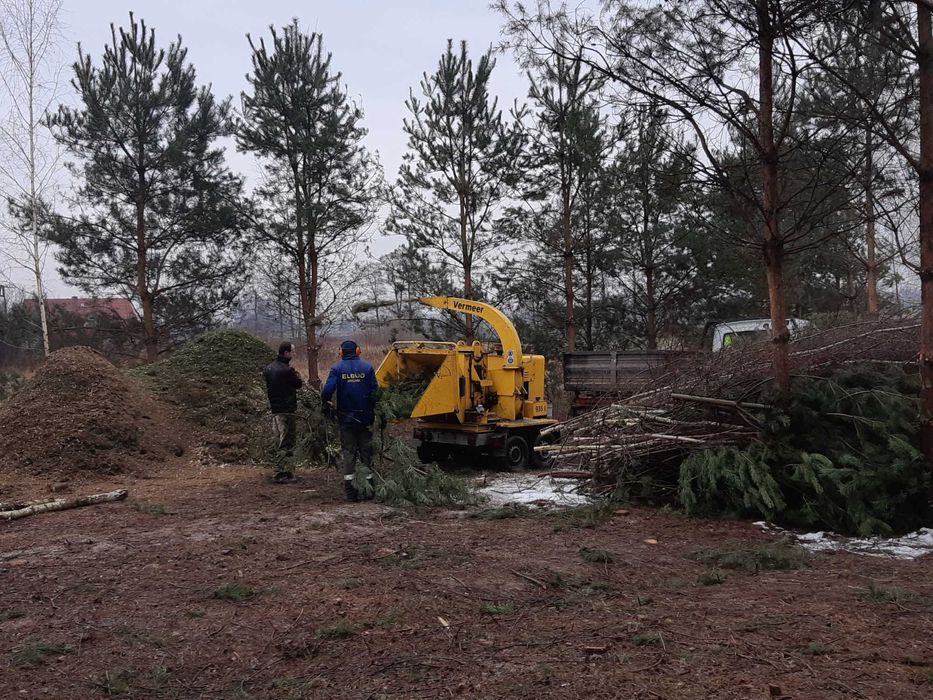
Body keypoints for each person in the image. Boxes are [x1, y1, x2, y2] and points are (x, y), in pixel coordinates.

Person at [321, 339, 379, 502]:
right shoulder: (367, 368)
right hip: (366, 418)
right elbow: (376, 393)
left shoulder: (337, 369)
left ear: (342, 352)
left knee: (349, 453)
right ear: (358, 351)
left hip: (346, 419)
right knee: (366, 452)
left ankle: (351, 491)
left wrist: (325, 404)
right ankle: (368, 490)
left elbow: (326, 392)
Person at [263, 341, 303, 482]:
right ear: (286, 353)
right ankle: (284, 473)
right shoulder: (287, 371)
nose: (294, 353)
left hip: (275, 410)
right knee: (287, 442)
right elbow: (298, 384)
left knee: (278, 440)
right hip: (287, 410)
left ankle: (280, 471)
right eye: (292, 351)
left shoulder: (268, 369)